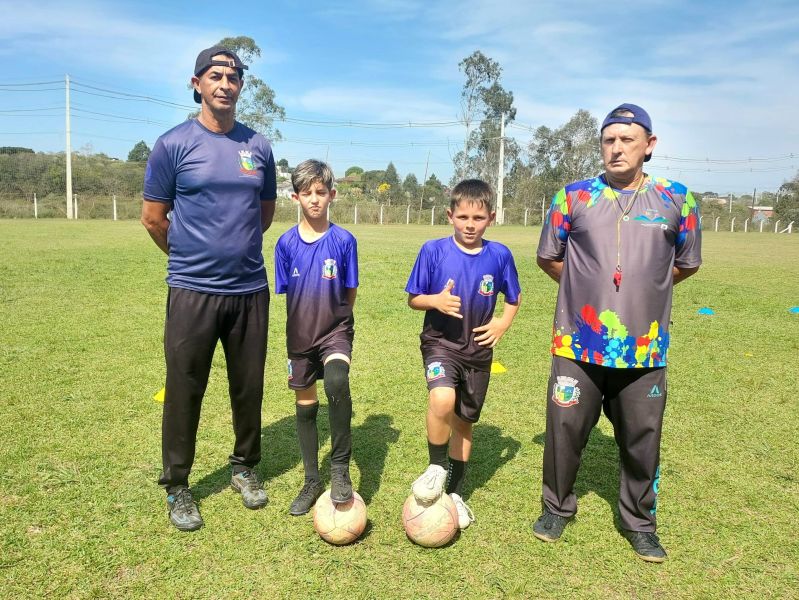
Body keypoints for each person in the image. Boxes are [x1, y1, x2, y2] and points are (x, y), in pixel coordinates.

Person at [532, 103, 701, 562]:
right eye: (609, 140)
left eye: (627, 139)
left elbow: (685, 263)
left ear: (649, 145)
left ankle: (639, 523)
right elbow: (550, 257)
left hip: (645, 350)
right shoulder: (572, 197)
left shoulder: (677, 199)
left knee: (642, 439)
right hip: (577, 343)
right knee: (564, 429)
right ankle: (556, 508)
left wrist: (644, 291)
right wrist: (586, 290)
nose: (617, 148)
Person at [141, 45, 277, 531]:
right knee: (184, 388)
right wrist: (192, 259)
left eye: (233, 76)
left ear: (241, 86)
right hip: (191, 291)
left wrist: (233, 252)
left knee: (249, 386)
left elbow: (263, 214)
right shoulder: (173, 144)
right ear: (197, 83)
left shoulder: (258, 147)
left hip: (248, 291)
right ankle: (178, 485)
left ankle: (245, 467)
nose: (225, 83)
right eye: (215, 75)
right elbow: (154, 219)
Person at [406, 179, 521, 529]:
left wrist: (502, 324)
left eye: (478, 217)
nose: (470, 224)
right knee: (442, 399)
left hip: (479, 350)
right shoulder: (433, 250)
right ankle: (436, 468)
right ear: (450, 215)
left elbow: (513, 298)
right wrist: (436, 301)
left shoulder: (500, 255)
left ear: (491, 217)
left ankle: (455, 493)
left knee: (465, 422)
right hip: (440, 343)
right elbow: (413, 298)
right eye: (463, 217)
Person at [274, 160, 358, 516]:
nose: (314, 199)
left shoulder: (344, 241)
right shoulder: (285, 244)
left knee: (337, 382)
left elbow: (349, 291)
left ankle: (339, 469)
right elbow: (287, 293)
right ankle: (312, 479)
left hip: (335, 331)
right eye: (306, 193)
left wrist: (338, 319)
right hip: (299, 337)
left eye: (320, 192)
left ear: (332, 196)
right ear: (295, 197)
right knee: (305, 405)